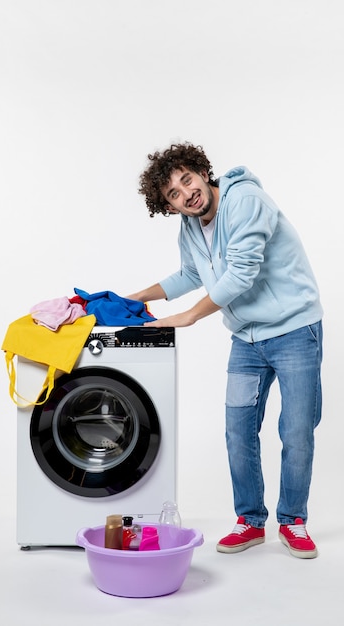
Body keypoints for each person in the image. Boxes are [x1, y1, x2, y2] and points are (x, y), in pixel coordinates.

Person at [128, 142, 323, 559]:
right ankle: (250, 522)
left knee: (296, 430)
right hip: (247, 339)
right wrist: (137, 297)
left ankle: (294, 521)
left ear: (201, 171)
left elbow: (241, 274)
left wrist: (190, 316)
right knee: (238, 431)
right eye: (174, 195)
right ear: (170, 206)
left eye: (187, 180)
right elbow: (189, 274)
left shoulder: (246, 200)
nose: (186, 194)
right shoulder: (191, 225)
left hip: (294, 329)